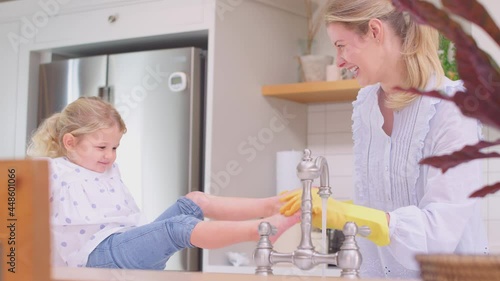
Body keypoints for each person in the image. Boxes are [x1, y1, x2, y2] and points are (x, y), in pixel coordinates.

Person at [281, 0, 488, 278]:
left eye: (342, 45)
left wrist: (349, 215)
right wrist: (337, 209)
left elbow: (439, 232)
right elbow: (377, 208)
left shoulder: (451, 109)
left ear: (375, 32)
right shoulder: (366, 106)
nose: (339, 60)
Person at [27, 96, 301, 270]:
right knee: (177, 228)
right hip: (95, 256)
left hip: (126, 243)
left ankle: (273, 204)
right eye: (102, 147)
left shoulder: (109, 169)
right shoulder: (54, 170)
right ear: (70, 142)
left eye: (115, 147)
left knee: (195, 201)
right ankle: (263, 230)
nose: (109, 156)